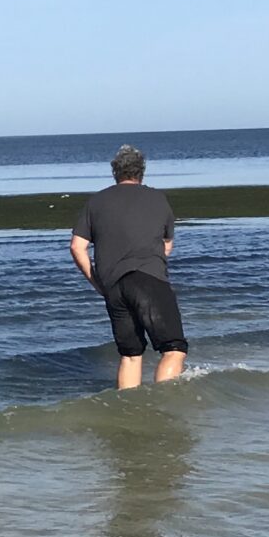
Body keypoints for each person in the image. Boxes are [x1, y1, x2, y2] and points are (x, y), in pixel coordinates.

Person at [68, 143, 188, 389]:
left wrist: (97, 283)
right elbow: (167, 246)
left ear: (115, 173)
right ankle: (162, 406)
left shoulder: (96, 202)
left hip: (113, 286)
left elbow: (77, 247)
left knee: (131, 354)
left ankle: (129, 409)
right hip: (148, 278)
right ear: (141, 172)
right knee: (174, 349)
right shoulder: (157, 198)